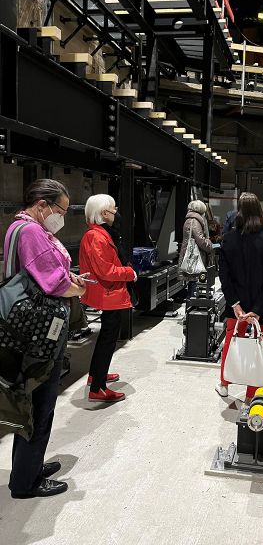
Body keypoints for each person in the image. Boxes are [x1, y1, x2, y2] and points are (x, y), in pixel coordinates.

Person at [4, 179, 86, 498]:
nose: (61, 217)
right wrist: (79, 288)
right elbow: (54, 284)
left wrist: (68, 279)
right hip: (39, 332)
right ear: (41, 204)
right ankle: (26, 482)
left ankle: (30, 467)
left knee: (32, 401)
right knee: (41, 402)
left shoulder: (16, 229)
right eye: (60, 210)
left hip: (24, 327)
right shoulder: (33, 232)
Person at [216, 192, 263, 402]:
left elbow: (224, 276)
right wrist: (259, 309)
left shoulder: (228, 240)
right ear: (261, 213)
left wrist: (235, 303)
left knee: (231, 340)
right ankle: (251, 395)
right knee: (262, 345)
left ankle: (224, 384)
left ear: (239, 213)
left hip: (238, 304)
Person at [79, 194, 137, 403]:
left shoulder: (99, 234)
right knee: (108, 339)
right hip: (108, 293)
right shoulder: (97, 236)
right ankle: (98, 388)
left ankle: (97, 375)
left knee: (107, 337)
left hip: (109, 293)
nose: (116, 213)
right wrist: (130, 273)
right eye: (113, 209)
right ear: (104, 213)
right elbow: (106, 271)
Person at [179, 200, 213, 298]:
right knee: (194, 282)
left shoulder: (190, 219)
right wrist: (209, 245)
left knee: (192, 282)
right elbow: (200, 240)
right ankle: (191, 304)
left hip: (190, 253)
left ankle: (191, 302)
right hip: (195, 255)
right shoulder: (195, 221)